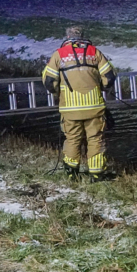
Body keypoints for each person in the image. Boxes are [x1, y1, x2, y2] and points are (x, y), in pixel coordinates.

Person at [42, 26, 116, 182]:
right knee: (95, 139)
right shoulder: (94, 52)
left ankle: (71, 172)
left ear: (67, 36)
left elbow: (49, 81)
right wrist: (99, 88)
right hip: (94, 106)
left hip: (70, 108)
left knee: (73, 139)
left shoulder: (59, 54)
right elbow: (109, 76)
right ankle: (96, 173)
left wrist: (58, 93)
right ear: (82, 36)